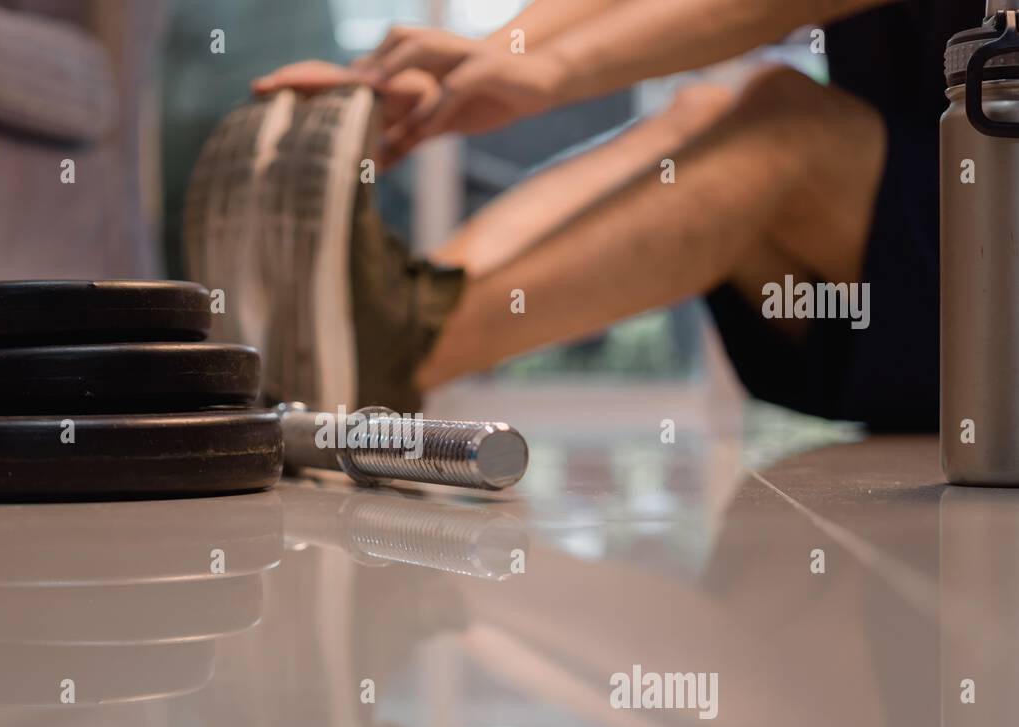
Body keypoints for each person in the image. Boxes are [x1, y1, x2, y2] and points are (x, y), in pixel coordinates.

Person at [237, 0, 977, 431]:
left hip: (989, 299)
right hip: (922, 267)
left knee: (784, 127)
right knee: (710, 110)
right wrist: (484, 58)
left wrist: (548, 70)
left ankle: (386, 352)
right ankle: (402, 313)